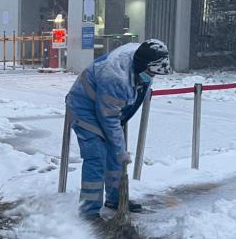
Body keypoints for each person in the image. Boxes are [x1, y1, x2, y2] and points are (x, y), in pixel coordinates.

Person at [65, 39, 172, 220]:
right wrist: (120, 150)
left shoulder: (141, 57)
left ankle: (116, 199)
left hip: (107, 107)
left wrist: (119, 151)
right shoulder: (115, 77)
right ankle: (89, 212)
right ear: (140, 65)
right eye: (150, 73)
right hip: (83, 107)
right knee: (97, 155)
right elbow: (109, 120)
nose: (151, 77)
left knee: (116, 154)